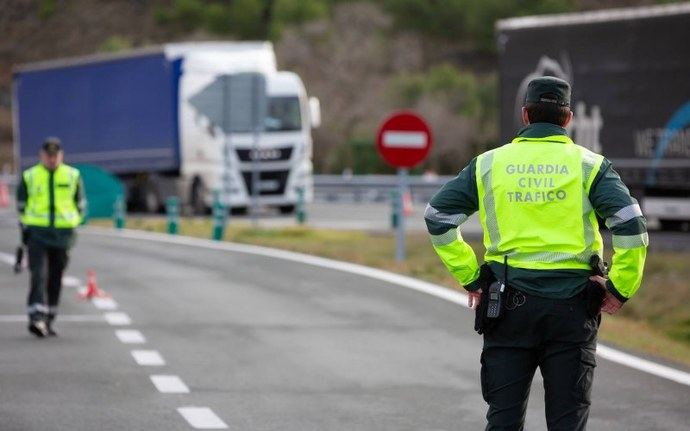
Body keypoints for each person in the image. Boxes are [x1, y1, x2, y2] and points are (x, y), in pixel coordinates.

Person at [425, 76, 648, 430]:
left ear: (525, 115)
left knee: (504, 420)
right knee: (567, 421)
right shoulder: (590, 165)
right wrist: (620, 287)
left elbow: (438, 218)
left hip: (506, 307)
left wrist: (471, 276)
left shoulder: (489, 164)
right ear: (568, 118)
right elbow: (631, 226)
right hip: (574, 309)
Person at [16, 137, 85, 337]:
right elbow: (21, 206)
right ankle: (36, 317)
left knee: (55, 277)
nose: (52, 160)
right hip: (38, 234)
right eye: (48, 156)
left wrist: (73, 224)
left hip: (63, 236)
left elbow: (80, 204)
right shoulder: (30, 176)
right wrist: (26, 230)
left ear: (61, 156)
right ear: (41, 156)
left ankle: (49, 317)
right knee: (39, 274)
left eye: (55, 156)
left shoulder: (72, 175)